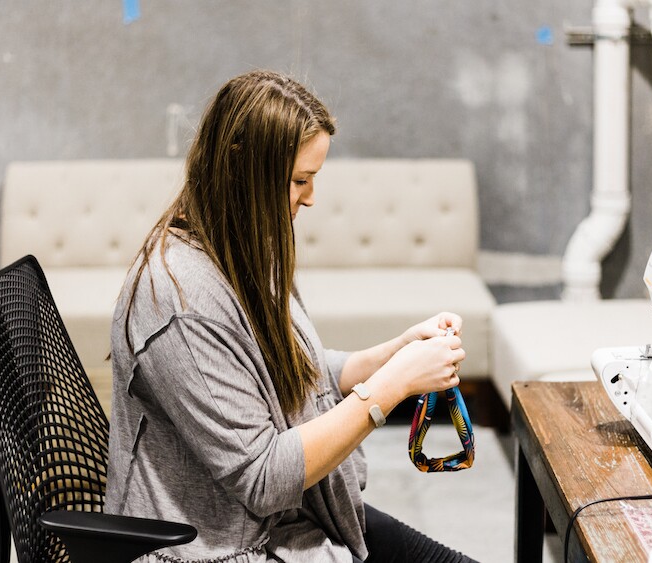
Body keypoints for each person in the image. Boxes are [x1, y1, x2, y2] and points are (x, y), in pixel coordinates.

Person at [106, 69, 476, 563]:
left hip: (283, 522)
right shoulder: (183, 304)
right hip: (219, 547)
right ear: (243, 172)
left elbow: (283, 370)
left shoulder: (240, 247)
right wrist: (390, 388)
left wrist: (392, 355)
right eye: (300, 180)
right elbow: (262, 479)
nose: (311, 197)